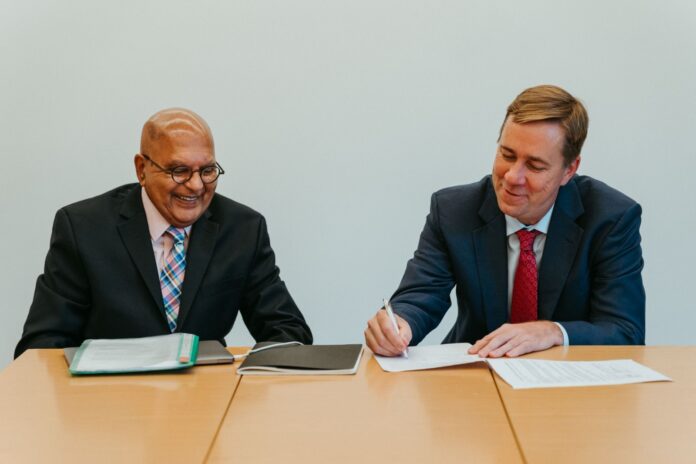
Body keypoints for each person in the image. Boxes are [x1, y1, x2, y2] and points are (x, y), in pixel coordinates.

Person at [365, 85, 645, 358]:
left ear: (568, 170)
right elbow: (421, 295)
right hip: (476, 377)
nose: (512, 176)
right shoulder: (454, 211)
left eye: (535, 166)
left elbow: (624, 330)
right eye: (507, 155)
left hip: (573, 387)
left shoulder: (610, 219)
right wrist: (399, 324)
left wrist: (553, 332)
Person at [15, 108, 312, 358]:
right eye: (179, 171)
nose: (196, 186)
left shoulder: (243, 229)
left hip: (207, 405)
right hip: (109, 409)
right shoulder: (83, 229)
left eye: (207, 171)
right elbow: (41, 349)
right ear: (141, 169)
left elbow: (288, 333)